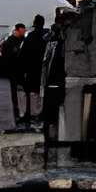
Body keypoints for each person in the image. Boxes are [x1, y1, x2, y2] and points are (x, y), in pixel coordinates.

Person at [41, 12, 67, 150]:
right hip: (56, 78)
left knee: (51, 109)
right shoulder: (57, 38)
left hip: (53, 78)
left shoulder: (53, 38)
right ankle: (51, 135)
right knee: (54, 108)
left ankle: (51, 135)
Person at [18, 14, 47, 129]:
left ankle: (28, 116)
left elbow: (23, 54)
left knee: (30, 92)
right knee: (39, 93)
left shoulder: (30, 36)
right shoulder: (46, 36)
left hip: (31, 69)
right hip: (42, 69)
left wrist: (22, 69)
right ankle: (37, 115)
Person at [0, 22, 29, 128]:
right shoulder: (10, 42)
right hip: (13, 71)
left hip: (20, 70)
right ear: (17, 30)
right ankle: (17, 110)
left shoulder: (23, 40)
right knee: (15, 92)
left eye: (24, 31)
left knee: (20, 91)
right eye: (22, 31)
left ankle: (20, 110)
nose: (24, 32)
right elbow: (6, 57)